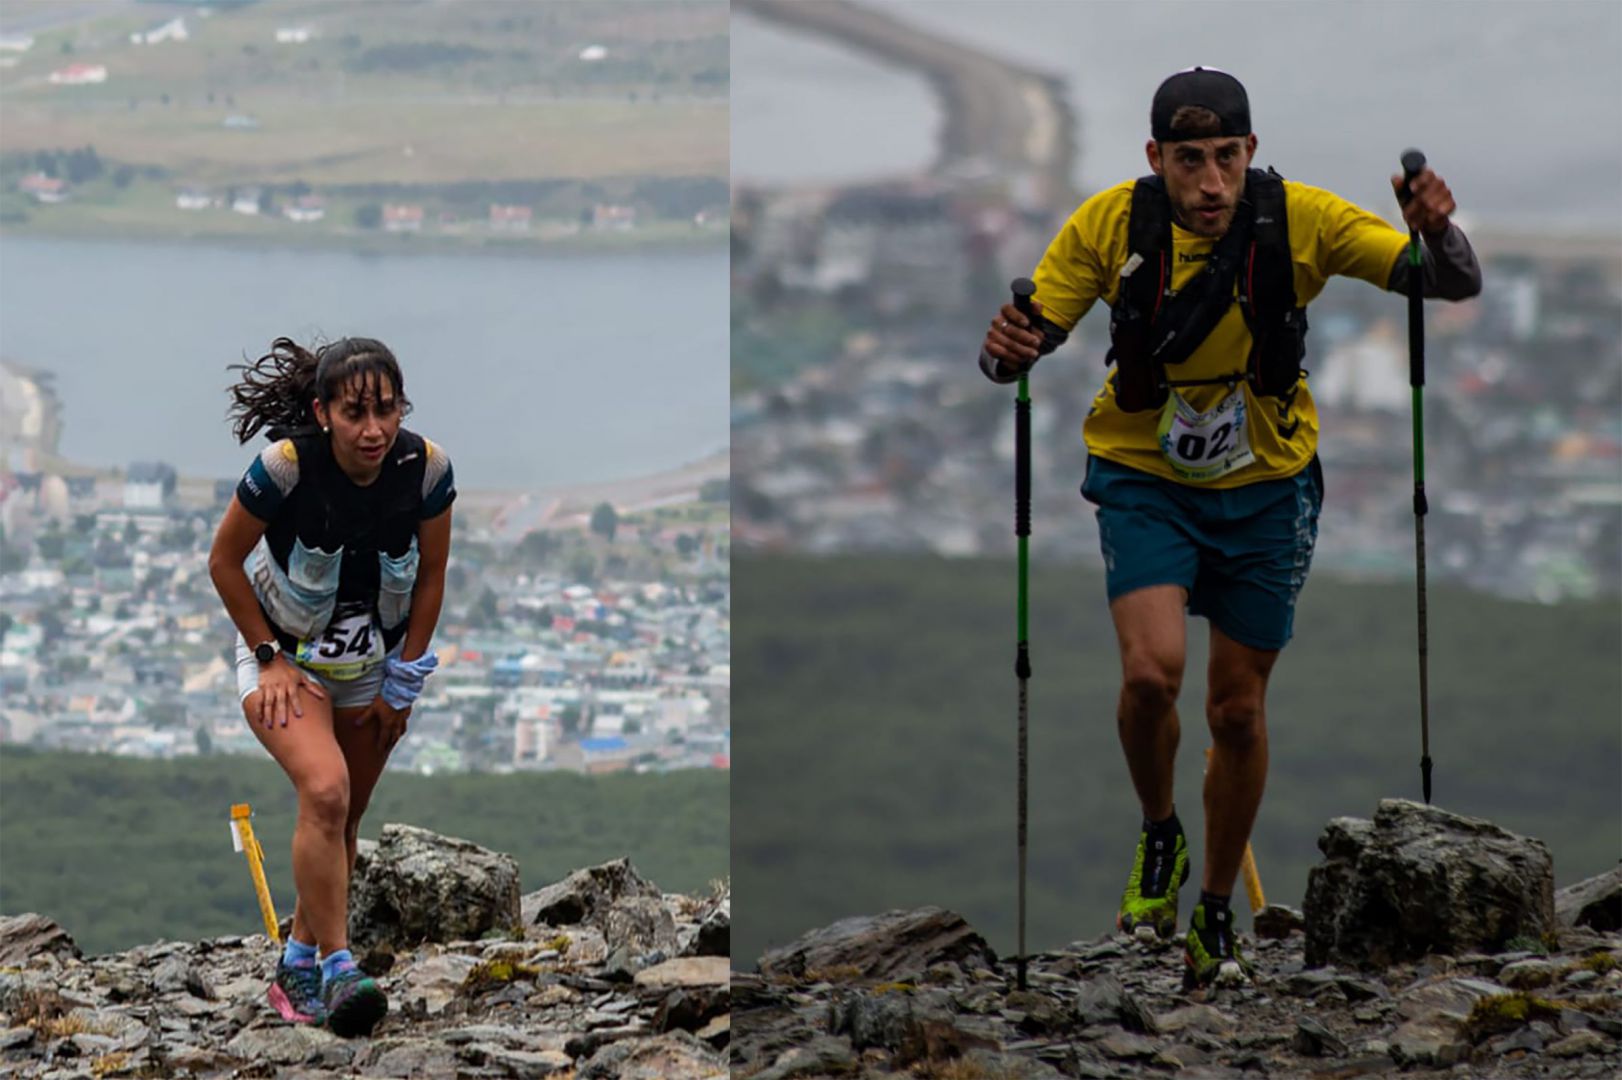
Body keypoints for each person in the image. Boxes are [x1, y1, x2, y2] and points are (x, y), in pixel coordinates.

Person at [979, 67, 1480, 988]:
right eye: (1188, 160)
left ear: (1250, 152)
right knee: (1149, 674)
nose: (1209, 183)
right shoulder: (1111, 227)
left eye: (1224, 158)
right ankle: (1160, 834)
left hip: (1269, 480)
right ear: (1155, 160)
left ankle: (1213, 911)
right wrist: (1004, 346)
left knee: (1236, 710)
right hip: (1143, 474)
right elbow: (1022, 337)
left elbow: (1444, 280)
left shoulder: (1304, 221)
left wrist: (1438, 227)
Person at [209, 336, 455, 1034]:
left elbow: (432, 575)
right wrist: (268, 657)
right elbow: (224, 561)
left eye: (387, 410)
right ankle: (341, 969)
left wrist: (405, 678)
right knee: (323, 789)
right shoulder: (285, 470)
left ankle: (296, 967)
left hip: (374, 664)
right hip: (283, 661)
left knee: (340, 821)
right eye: (355, 413)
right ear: (322, 412)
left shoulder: (426, 469)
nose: (374, 429)